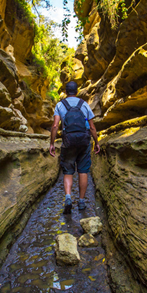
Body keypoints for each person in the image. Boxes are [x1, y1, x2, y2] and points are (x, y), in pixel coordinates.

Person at [49, 81, 100, 214]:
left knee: (68, 170)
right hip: (84, 142)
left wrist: (52, 144)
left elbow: (55, 126)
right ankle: (82, 202)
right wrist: (97, 142)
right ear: (77, 92)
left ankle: (68, 198)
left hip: (68, 142)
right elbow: (92, 127)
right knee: (83, 170)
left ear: (66, 92)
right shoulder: (84, 104)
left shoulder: (60, 105)